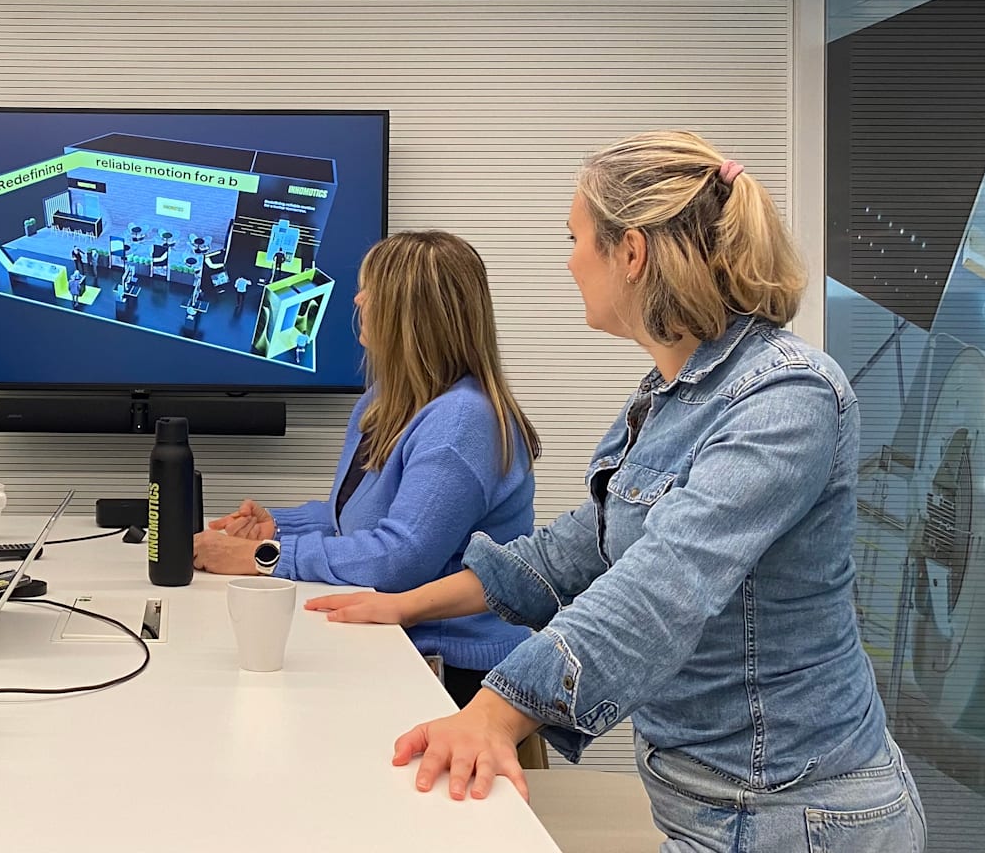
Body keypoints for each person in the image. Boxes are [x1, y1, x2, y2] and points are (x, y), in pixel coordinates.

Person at [309, 131, 926, 852]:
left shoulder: (788, 395)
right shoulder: (668, 395)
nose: (569, 260)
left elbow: (664, 584)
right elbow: (577, 549)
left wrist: (498, 710)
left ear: (630, 253)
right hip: (709, 803)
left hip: (796, 817)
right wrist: (404, 605)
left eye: (575, 239)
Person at [195, 230, 539, 706]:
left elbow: (398, 559)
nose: (358, 300)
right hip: (393, 644)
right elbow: (359, 519)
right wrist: (279, 525)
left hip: (453, 674)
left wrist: (263, 556)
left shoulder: (463, 421)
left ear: (410, 312)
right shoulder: (385, 401)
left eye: (371, 290)